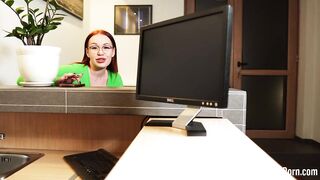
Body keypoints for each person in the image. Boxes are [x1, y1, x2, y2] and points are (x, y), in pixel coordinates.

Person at [56, 29, 123, 87]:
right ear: (87, 52)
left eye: (106, 47)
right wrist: (58, 82)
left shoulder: (116, 78)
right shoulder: (71, 70)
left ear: (113, 52)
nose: (100, 53)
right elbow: (46, 81)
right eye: (94, 47)